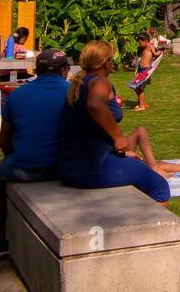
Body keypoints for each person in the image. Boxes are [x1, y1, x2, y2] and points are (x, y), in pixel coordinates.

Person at [0, 47, 73, 259]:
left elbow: (3, 140)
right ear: (64, 70)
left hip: (25, 168)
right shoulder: (74, 92)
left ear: (36, 71)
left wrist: (17, 157)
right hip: (66, 168)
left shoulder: (17, 95)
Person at [57, 41, 172, 202]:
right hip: (92, 168)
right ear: (105, 63)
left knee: (134, 168)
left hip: (69, 168)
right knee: (160, 187)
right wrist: (118, 138)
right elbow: (94, 105)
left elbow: (88, 129)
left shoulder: (77, 85)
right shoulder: (100, 81)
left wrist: (119, 151)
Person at [128, 33, 155, 111]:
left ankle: (142, 106)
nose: (139, 44)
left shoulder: (150, 47)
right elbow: (138, 58)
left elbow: (156, 54)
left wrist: (161, 51)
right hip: (140, 70)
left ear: (145, 41)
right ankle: (141, 102)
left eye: (140, 43)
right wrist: (135, 63)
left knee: (139, 88)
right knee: (134, 86)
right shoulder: (141, 48)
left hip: (145, 72)